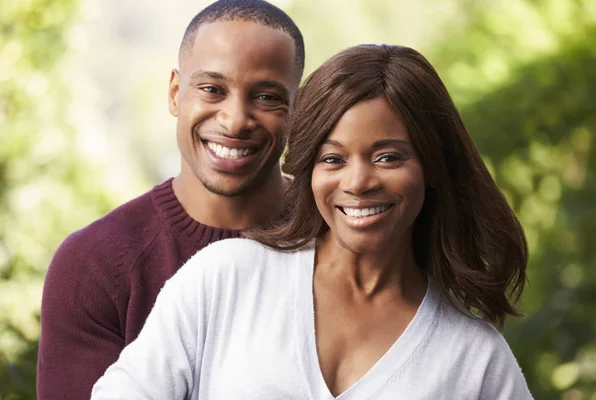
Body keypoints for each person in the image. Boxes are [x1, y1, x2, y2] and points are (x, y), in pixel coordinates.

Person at [91, 44, 533, 399]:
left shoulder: (477, 363)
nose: (358, 182)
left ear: (433, 167)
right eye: (333, 159)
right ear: (309, 170)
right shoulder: (225, 280)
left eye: (388, 157)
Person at [37, 1, 305, 398]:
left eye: (266, 97)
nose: (234, 120)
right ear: (176, 92)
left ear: (297, 110)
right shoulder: (93, 265)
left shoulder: (344, 234)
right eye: (212, 89)